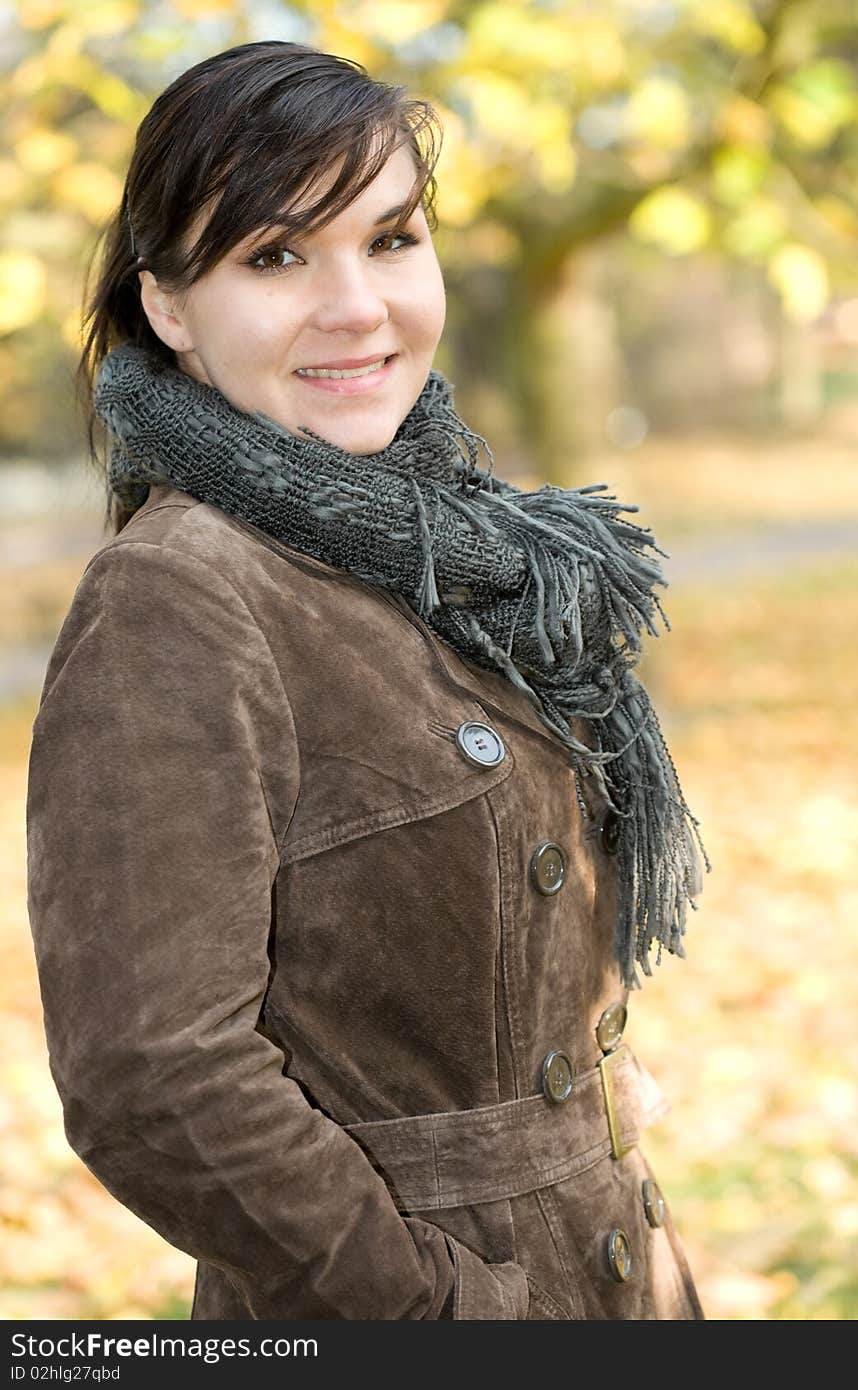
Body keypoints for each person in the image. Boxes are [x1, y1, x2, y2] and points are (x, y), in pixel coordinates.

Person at [26, 40, 710, 1321]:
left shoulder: (462, 543)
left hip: (613, 1269)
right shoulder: (179, 597)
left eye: (390, 239)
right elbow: (154, 1080)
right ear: (169, 305)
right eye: (275, 256)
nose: (357, 306)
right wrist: (445, 1312)